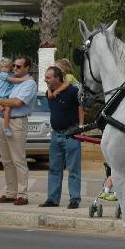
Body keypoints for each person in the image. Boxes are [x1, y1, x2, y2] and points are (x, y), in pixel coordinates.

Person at [0, 55, 37, 206]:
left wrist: (0, 101)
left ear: (27, 68)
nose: (14, 68)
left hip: (17, 122)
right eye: (14, 66)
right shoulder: (14, 81)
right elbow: (0, 99)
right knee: (6, 160)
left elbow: (17, 102)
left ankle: (22, 194)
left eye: (18, 66)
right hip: (3, 119)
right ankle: (11, 192)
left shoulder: (29, 83)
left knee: (18, 160)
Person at [39, 66, 84, 209]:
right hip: (56, 135)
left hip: (71, 135)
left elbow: (81, 106)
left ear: (58, 78)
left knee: (73, 169)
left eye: (48, 77)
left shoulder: (72, 92)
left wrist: (81, 126)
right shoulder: (49, 93)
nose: (45, 80)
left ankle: (74, 199)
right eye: (45, 77)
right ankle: (52, 199)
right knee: (54, 168)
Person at [0, 58, 31, 138]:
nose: (4, 69)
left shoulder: (11, 74)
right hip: (0, 96)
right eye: (2, 67)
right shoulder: (2, 74)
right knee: (6, 108)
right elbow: (13, 80)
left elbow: (15, 77)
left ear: (10, 68)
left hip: (5, 97)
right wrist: (24, 79)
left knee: (4, 109)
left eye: (6, 67)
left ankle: (5, 126)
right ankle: (6, 128)